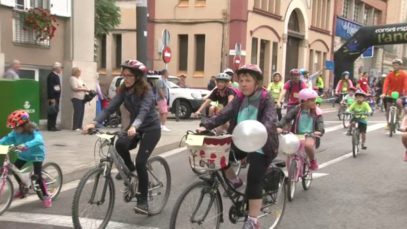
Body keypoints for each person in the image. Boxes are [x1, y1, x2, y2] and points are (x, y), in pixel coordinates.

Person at [197, 64, 279, 229]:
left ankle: (253, 220)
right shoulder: (239, 98)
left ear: (257, 83)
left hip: (261, 143)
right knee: (220, 157)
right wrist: (206, 125)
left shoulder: (265, 97)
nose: (243, 84)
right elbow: (224, 113)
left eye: (248, 80)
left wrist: (262, 129)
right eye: (241, 80)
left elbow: (270, 119)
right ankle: (235, 182)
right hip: (240, 140)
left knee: (254, 179)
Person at [84, 59, 161, 214]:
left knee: (141, 162)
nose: (125, 78)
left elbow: (144, 111)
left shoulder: (146, 92)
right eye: (123, 75)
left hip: (150, 128)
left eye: (129, 75)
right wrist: (94, 123)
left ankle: (143, 200)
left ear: (137, 77)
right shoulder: (123, 90)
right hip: (134, 128)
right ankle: (131, 171)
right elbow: (110, 108)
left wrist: (134, 126)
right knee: (120, 144)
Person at [0, 110, 52, 208]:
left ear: (24, 125)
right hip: (24, 155)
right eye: (13, 127)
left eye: (16, 127)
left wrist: (26, 145)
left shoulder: (33, 130)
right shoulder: (15, 132)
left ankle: (46, 196)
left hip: (36, 154)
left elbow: (39, 139)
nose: (14, 129)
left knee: (38, 177)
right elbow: (6, 139)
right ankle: (22, 189)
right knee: (14, 169)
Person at [277, 88, 324, 170]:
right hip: (297, 134)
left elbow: (320, 123)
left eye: (314, 100)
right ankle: (291, 174)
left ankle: (313, 161)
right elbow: (286, 118)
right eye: (312, 100)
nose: (314, 102)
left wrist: (319, 131)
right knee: (290, 150)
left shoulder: (317, 111)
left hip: (310, 135)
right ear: (304, 101)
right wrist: (279, 126)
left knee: (308, 145)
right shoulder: (297, 109)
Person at [381, 58, 407, 128]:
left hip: (400, 94)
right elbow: (386, 84)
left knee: (399, 103)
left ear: (400, 66)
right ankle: (388, 123)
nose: (395, 66)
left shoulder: (404, 74)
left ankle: (398, 116)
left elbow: (405, 84)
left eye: (397, 65)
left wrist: (405, 93)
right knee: (388, 108)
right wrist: (384, 93)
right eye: (394, 65)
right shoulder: (390, 75)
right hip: (390, 94)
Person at [46, 62, 62, 131]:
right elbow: (50, 87)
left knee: (55, 111)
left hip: (56, 97)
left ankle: (53, 125)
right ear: (56, 68)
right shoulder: (51, 76)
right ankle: (51, 126)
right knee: (52, 111)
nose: (61, 69)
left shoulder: (56, 76)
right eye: (60, 68)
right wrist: (51, 98)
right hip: (53, 97)